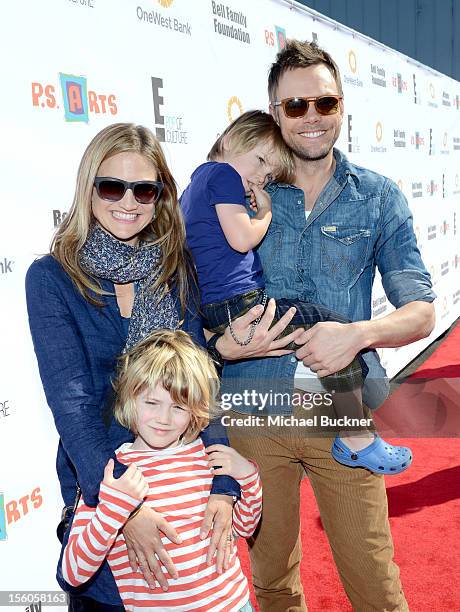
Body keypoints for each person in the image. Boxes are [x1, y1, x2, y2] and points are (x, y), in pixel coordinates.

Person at [218, 40, 436, 612]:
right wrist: (226, 345)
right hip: (252, 409)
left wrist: (357, 334)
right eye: (295, 107)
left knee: (374, 583)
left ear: (342, 106)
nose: (311, 118)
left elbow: (422, 311)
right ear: (274, 112)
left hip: (342, 415)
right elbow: (200, 292)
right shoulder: (243, 191)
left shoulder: (378, 197)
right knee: (270, 580)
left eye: (324, 103)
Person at [25, 123, 263, 610]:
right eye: (112, 186)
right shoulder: (52, 278)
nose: (128, 202)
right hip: (104, 491)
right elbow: (73, 406)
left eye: (144, 189)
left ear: (160, 196)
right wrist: (123, 508)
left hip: (183, 485)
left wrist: (222, 487)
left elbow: (200, 387)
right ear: (88, 188)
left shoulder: (176, 270)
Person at [181, 109, 411, 472]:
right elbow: (243, 239)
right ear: (228, 141)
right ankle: (355, 438)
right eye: (258, 162)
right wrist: (266, 212)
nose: (259, 178)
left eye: (269, 174)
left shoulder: (192, 188)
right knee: (332, 326)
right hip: (243, 306)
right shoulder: (223, 175)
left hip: (221, 309)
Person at [62, 329, 260, 612]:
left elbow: (244, 527)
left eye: (179, 408)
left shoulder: (208, 456)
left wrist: (248, 478)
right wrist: (115, 510)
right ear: (130, 398)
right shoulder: (110, 472)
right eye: (152, 403)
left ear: (195, 409)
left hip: (233, 604)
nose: (163, 419)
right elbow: (72, 573)